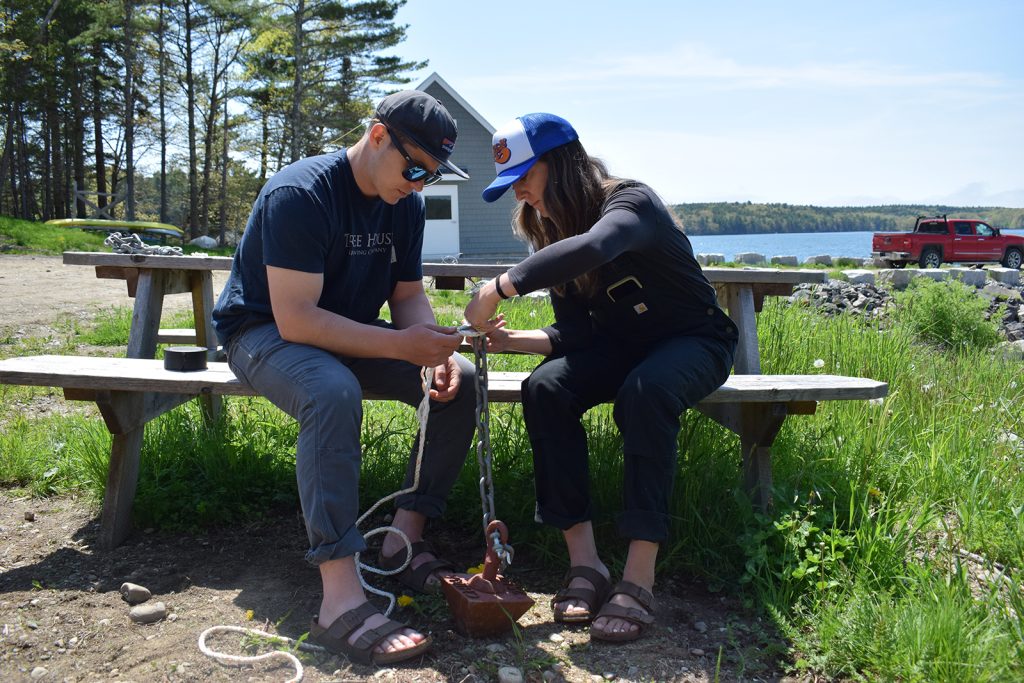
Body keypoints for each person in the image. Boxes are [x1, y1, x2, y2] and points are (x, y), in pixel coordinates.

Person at [212, 91, 476, 665]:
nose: (419, 184)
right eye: (415, 169)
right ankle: (338, 597)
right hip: (264, 333)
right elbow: (297, 318)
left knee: (463, 383)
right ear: (377, 136)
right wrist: (400, 345)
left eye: (431, 176)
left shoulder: (402, 202)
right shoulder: (300, 194)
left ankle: (402, 543)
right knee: (331, 391)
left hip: (350, 332)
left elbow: (407, 297)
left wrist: (430, 352)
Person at [463, 113, 738, 643]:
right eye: (511, 181)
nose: (520, 191)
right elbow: (577, 335)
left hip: (696, 343)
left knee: (646, 389)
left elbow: (598, 247)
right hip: (620, 348)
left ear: (561, 163)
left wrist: (499, 286)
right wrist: (515, 341)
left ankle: (639, 576)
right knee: (545, 387)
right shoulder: (549, 230)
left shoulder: (630, 203)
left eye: (525, 174)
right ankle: (586, 564)